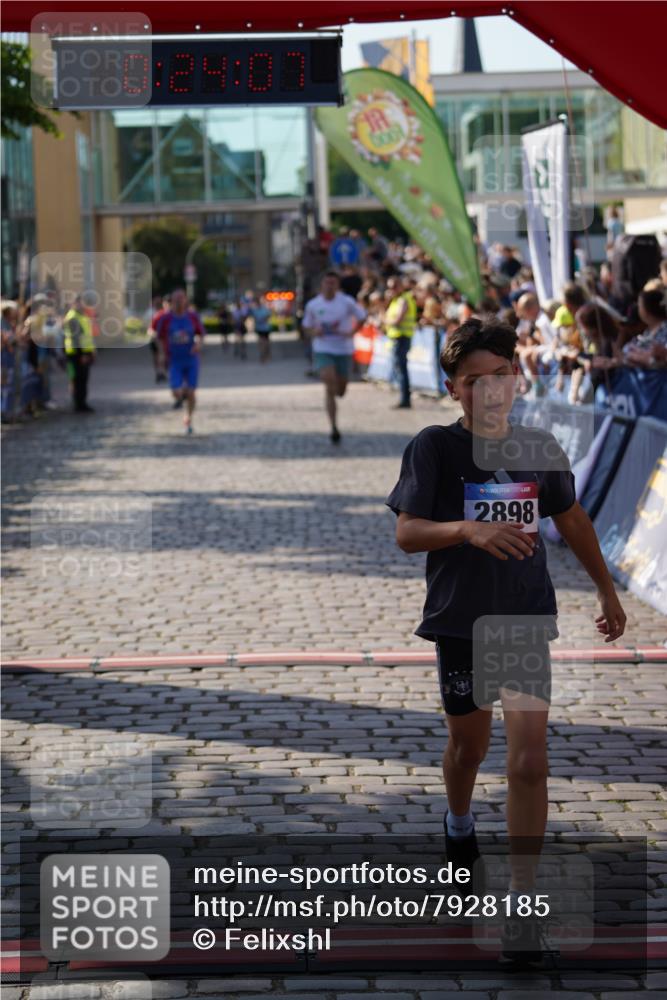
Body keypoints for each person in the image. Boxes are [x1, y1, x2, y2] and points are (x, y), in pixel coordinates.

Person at [386, 316, 626, 969]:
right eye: (474, 381)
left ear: (516, 379)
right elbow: (407, 532)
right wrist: (466, 530)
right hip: (459, 619)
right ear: (453, 389)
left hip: (521, 619)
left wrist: (605, 590)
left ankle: (520, 905)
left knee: (527, 763)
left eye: (500, 376)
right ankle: (459, 825)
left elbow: (571, 519)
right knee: (468, 748)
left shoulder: (537, 446)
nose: (490, 390)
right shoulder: (433, 448)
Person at [302, 271, 366, 444]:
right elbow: (306, 327)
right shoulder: (313, 305)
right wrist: (315, 332)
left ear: (337, 286)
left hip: (343, 349)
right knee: (328, 381)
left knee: (341, 391)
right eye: (326, 282)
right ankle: (333, 427)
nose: (329, 286)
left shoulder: (346, 302)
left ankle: (336, 390)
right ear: (321, 285)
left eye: (332, 283)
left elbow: (362, 317)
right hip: (323, 348)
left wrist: (351, 332)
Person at [154, 288, 204, 434]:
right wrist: (162, 353)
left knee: (192, 392)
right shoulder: (166, 318)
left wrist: (198, 345)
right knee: (176, 392)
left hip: (191, 359)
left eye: (181, 299)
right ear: (172, 302)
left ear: (185, 300)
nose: (178, 302)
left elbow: (201, 334)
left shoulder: (193, 317)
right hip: (174, 360)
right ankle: (182, 396)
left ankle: (188, 417)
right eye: (176, 300)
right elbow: (157, 337)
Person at [384, 275, 417, 409]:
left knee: (401, 369)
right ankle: (404, 398)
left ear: (400, 286)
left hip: (402, 337)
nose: (391, 290)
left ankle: (405, 399)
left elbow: (397, 320)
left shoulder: (403, 300)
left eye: (393, 286)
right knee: (399, 368)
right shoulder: (396, 300)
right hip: (397, 337)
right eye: (389, 287)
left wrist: (385, 321)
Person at [63, 293, 96, 413]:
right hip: (76, 354)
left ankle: (82, 403)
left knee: (83, 379)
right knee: (78, 380)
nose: (80, 304)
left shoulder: (81, 315)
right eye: (78, 302)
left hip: (83, 352)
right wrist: (83, 354)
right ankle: (79, 404)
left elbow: (87, 336)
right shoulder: (72, 317)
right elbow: (75, 338)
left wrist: (91, 351)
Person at [622, 286, 667, 369]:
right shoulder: (648, 331)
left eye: (639, 306)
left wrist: (643, 358)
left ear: (647, 310)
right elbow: (626, 351)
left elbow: (658, 361)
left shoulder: (664, 329)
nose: (637, 309)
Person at [252, 295, 273, 363]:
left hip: (266, 328)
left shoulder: (265, 309)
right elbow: (254, 318)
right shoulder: (254, 310)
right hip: (259, 328)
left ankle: (266, 353)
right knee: (261, 342)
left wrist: (262, 319)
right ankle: (263, 354)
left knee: (266, 342)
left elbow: (268, 316)